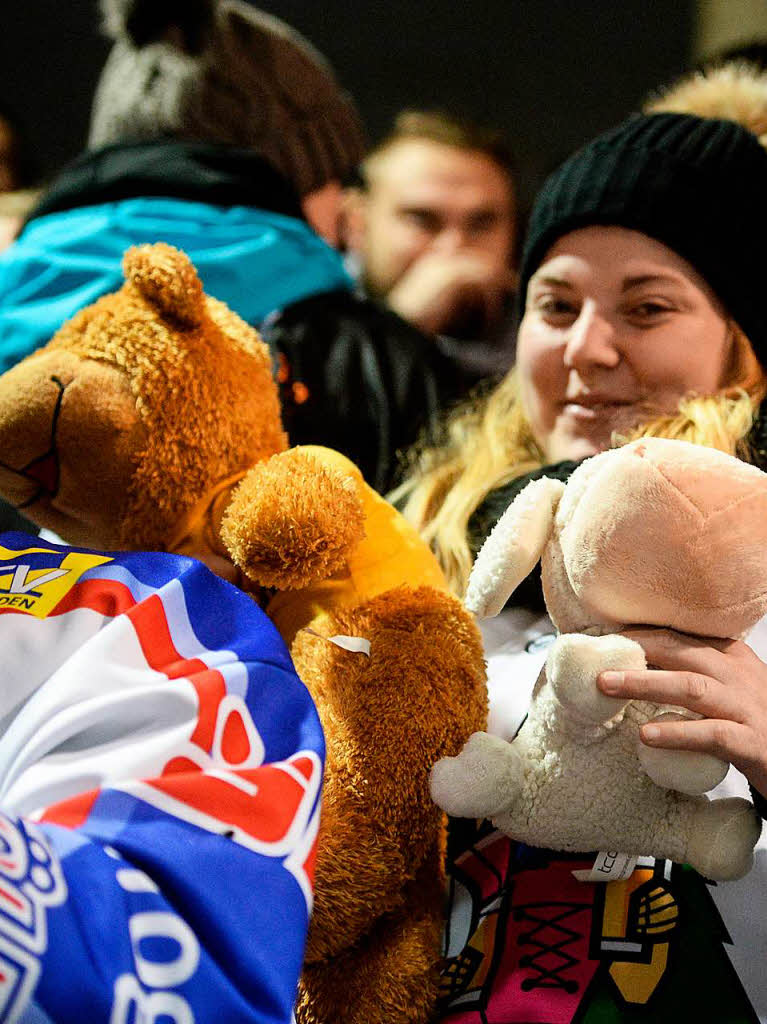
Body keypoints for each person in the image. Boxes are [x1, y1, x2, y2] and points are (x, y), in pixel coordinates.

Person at [398, 111, 767, 1020]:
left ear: (744, 340)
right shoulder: (415, 542)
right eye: (555, 305)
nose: (586, 349)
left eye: (647, 307)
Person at [0, 0, 366, 376]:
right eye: (334, 175)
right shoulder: (350, 346)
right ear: (295, 174)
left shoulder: (10, 286)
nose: (342, 201)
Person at [342, 110, 519, 382]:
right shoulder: (298, 326)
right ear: (356, 223)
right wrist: (401, 326)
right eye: (422, 220)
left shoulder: (548, 335)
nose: (453, 249)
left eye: (481, 223)